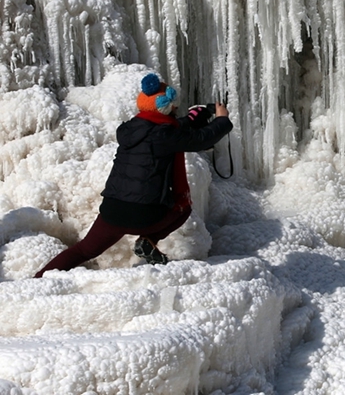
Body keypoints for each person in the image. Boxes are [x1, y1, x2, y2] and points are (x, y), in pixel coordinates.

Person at [34, 74, 233, 277]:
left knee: (85, 249)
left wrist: (193, 118)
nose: (176, 110)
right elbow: (199, 139)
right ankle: (149, 240)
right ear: (167, 107)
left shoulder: (133, 128)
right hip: (144, 215)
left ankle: (39, 278)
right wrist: (222, 120)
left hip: (112, 211)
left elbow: (167, 129)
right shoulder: (165, 135)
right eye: (174, 106)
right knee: (183, 207)